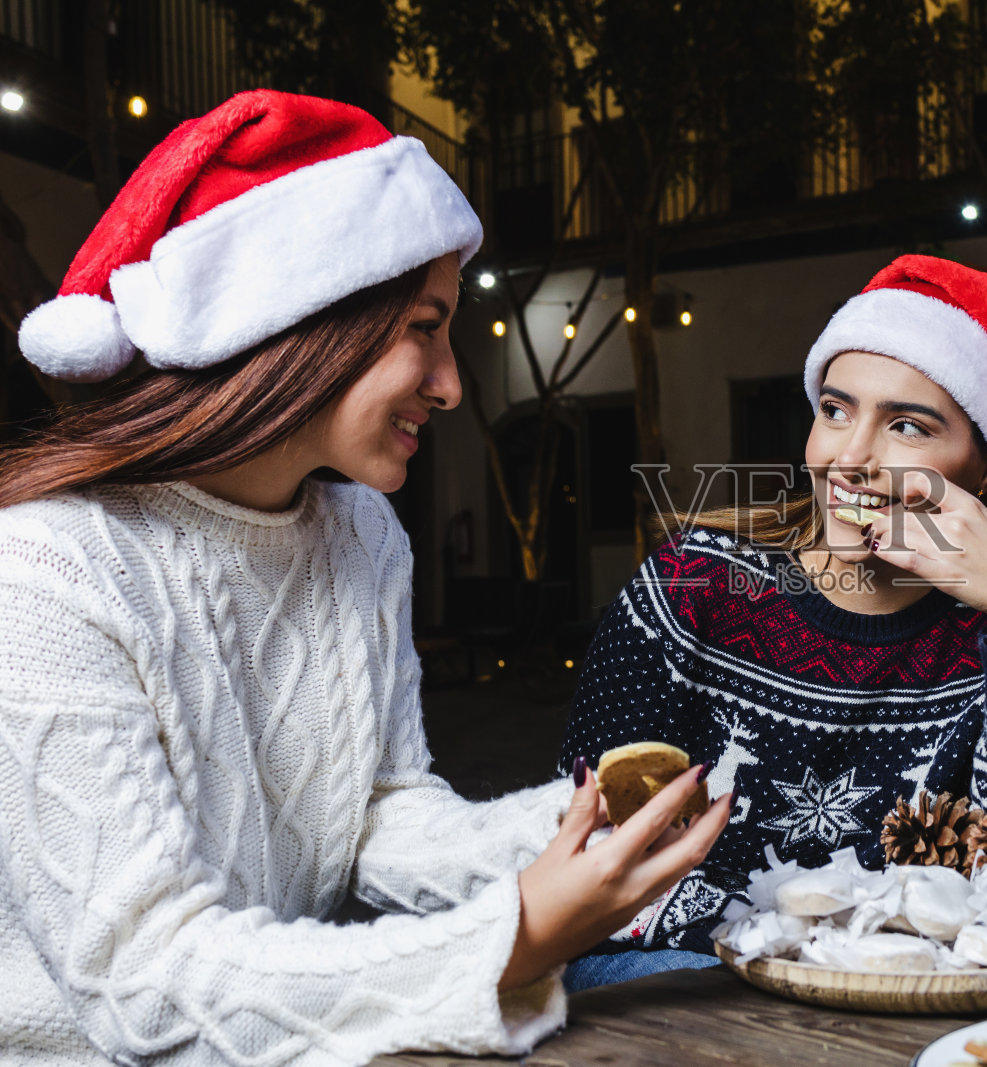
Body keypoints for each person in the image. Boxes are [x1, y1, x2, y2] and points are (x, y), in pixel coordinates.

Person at [0, 90, 729, 1066]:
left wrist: (580, 825)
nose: (452, 382)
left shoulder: (363, 533)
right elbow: (145, 977)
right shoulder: (51, 567)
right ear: (300, 318)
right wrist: (510, 934)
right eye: (425, 326)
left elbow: (381, 817)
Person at [558, 254, 987, 981]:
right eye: (835, 410)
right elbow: (580, 846)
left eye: (906, 426)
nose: (850, 457)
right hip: (674, 978)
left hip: (903, 997)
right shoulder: (690, 588)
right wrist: (783, 967)